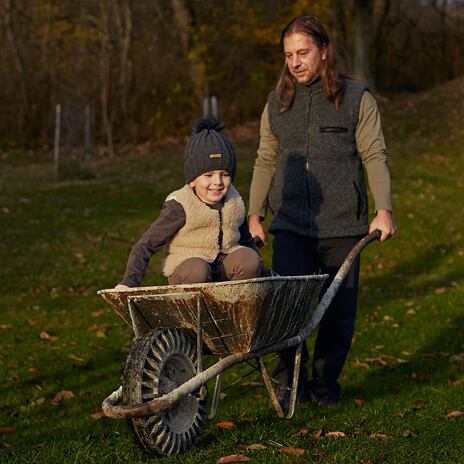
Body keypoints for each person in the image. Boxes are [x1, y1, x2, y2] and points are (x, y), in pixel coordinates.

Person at [248, 16, 396, 407]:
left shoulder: (356, 98)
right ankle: (287, 383)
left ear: (324, 51)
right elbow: (265, 159)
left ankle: (326, 386)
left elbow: (374, 154)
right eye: (288, 55)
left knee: (337, 315)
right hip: (291, 225)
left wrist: (383, 209)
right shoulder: (277, 103)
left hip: (343, 225)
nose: (295, 62)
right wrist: (254, 215)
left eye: (303, 53)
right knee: (284, 308)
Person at [116, 116, 262, 289]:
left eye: (224, 174)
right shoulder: (181, 205)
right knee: (197, 270)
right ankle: (194, 311)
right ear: (192, 180)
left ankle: (232, 305)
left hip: (223, 270)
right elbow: (145, 245)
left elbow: (247, 241)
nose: (217, 182)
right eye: (208, 175)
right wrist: (129, 282)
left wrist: (266, 273)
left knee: (249, 259)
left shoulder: (235, 202)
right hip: (188, 271)